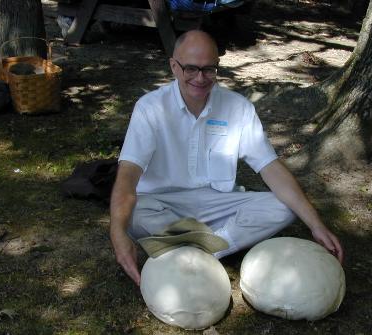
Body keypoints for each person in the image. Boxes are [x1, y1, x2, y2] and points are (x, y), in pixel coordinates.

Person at [110, 30, 344, 286]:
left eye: (209, 69)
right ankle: (211, 243)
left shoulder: (238, 107)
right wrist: (117, 231)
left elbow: (270, 167)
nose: (200, 78)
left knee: (285, 207)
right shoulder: (150, 108)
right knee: (132, 214)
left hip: (217, 205)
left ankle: (202, 249)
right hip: (162, 204)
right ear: (174, 67)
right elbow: (128, 174)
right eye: (191, 69)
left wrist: (316, 225)